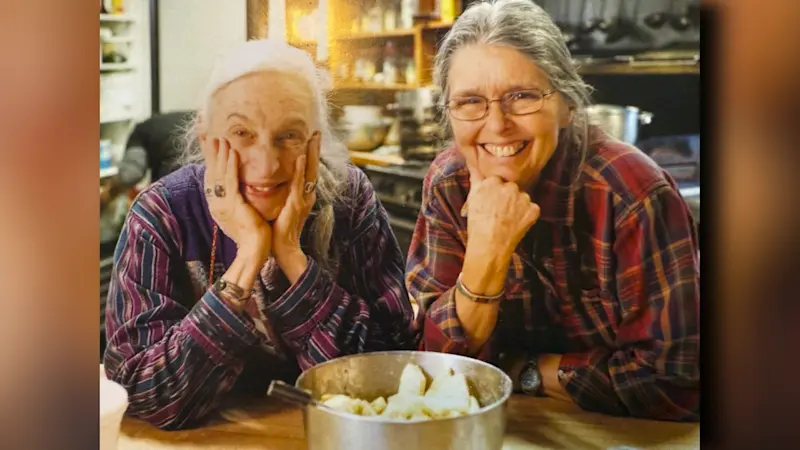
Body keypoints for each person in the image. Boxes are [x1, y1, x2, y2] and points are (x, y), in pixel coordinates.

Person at [407, 0, 700, 421]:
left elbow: (674, 384)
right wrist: (486, 258)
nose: (497, 124)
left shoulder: (631, 192)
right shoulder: (449, 182)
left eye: (521, 96)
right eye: (471, 102)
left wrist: (522, 370)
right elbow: (430, 364)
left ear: (566, 105)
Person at [103, 39, 416, 430]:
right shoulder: (162, 213)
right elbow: (144, 396)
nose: (266, 166)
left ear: (315, 139)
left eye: (289, 135)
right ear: (205, 136)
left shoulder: (349, 199)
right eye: (241, 132)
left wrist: (290, 255)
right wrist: (249, 257)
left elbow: (395, 373)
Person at [100, 111, 192, 211]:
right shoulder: (193, 122)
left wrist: (105, 196)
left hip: (174, 175)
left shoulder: (139, 133)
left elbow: (131, 174)